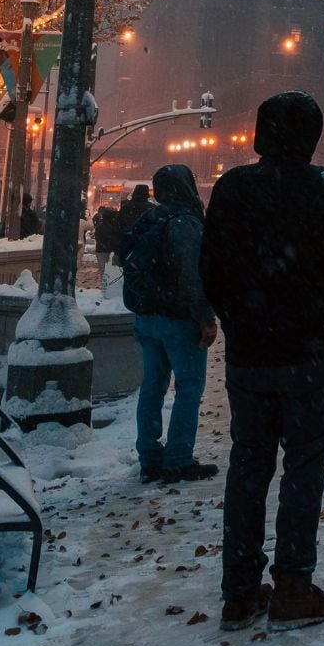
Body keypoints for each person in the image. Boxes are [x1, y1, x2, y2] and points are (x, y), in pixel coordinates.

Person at [201, 91, 324, 633]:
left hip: (250, 356)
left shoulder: (233, 189)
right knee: (303, 467)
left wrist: (239, 315)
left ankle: (240, 589)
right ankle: (293, 583)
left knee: (248, 465)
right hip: (312, 355)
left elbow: (210, 268)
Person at [122, 165, 218, 484]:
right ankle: (178, 457)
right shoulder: (186, 223)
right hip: (177, 319)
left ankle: (149, 456)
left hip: (147, 317)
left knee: (152, 387)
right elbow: (191, 275)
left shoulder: (150, 218)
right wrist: (204, 315)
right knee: (189, 387)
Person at [116, 184, 152, 261]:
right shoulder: (152, 208)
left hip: (128, 244)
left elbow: (118, 226)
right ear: (147, 195)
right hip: (146, 245)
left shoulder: (126, 207)